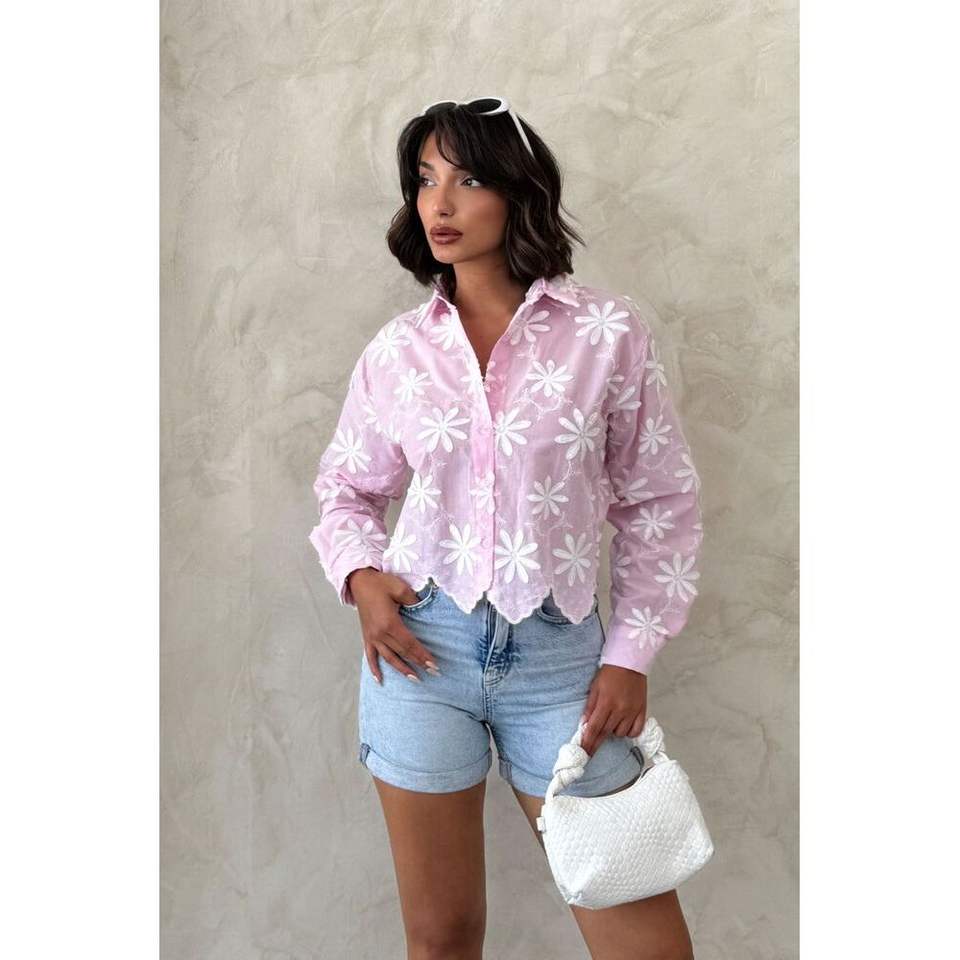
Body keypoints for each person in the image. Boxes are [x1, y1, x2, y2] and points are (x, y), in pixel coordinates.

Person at [309, 99, 702, 960]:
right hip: (420, 655)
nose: (440, 203)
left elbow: (659, 502)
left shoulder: (606, 333)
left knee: (645, 946)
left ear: (519, 191)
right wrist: (362, 579)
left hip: (564, 666)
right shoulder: (398, 351)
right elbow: (345, 489)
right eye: (425, 181)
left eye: (468, 179)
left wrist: (632, 652)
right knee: (443, 938)